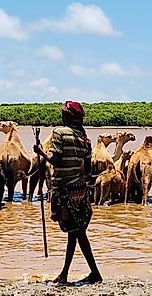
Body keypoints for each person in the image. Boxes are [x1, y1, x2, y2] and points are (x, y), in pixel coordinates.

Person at [33, 101, 103, 285]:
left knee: (78, 234)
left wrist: (41, 152)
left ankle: (93, 273)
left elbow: (55, 160)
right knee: (76, 233)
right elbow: (87, 171)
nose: (62, 116)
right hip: (80, 193)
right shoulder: (85, 139)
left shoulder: (59, 133)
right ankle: (67, 274)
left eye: (64, 114)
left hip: (65, 192)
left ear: (67, 117)